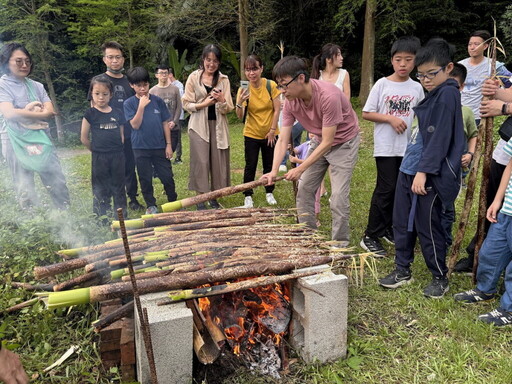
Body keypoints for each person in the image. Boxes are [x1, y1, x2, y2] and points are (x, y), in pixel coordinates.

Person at [378, 38, 465, 298]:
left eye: (431, 74)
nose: (425, 80)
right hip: (411, 166)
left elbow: (439, 139)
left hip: (428, 174)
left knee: (428, 225)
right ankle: (402, 269)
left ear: (449, 68)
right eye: (422, 75)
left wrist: (423, 172)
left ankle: (440, 277)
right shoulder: (435, 92)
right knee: (402, 221)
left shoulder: (448, 93)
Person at [261, 56, 361, 247]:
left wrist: (299, 169)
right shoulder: (290, 101)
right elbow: (282, 138)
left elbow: (329, 142)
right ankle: (309, 239)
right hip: (319, 139)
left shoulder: (328, 96)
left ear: (300, 78)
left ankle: (339, 245)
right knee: (305, 189)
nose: (282, 91)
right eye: (279, 86)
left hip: (343, 142)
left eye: (284, 85)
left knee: (338, 197)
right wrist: (274, 170)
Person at [359, 36, 424, 257]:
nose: (403, 64)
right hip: (386, 148)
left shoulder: (417, 87)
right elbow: (366, 113)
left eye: (408, 59)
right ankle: (370, 235)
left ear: (415, 61)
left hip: (408, 149)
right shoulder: (382, 84)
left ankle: (388, 228)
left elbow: (421, 117)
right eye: (398, 59)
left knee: (400, 191)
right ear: (392, 61)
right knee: (386, 190)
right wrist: (390, 119)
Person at [0, 42, 70, 210]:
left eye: (27, 61)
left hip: (40, 138)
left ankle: (65, 216)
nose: (24, 65)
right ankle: (34, 223)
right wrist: (40, 113)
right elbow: (9, 113)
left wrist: (24, 112)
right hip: (14, 140)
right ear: (6, 62)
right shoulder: (2, 85)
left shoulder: (37, 85)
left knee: (55, 178)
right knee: (24, 184)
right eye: (18, 61)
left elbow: (50, 110)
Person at [453, 137, 512, 326]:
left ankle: (509, 310)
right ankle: (485, 290)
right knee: (490, 252)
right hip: (507, 210)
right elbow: (510, 166)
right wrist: (497, 200)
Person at [92, 41, 143, 211]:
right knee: (107, 172)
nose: (115, 61)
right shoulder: (99, 81)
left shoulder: (130, 80)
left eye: (118, 57)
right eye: (111, 57)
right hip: (107, 137)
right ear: (104, 59)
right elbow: (93, 109)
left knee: (129, 167)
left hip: (129, 133)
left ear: (123, 59)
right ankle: (105, 205)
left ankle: (133, 199)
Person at [182, 44, 234, 210]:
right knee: (201, 162)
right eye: (208, 60)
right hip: (198, 126)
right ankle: (200, 199)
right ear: (203, 59)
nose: (211, 64)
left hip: (218, 126)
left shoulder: (223, 80)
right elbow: (186, 103)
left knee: (218, 162)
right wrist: (203, 104)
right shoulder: (193, 78)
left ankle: (214, 197)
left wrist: (222, 101)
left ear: (219, 63)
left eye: (215, 61)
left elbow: (229, 108)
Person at [124, 67, 177, 214]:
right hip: (140, 148)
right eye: (138, 86)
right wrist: (141, 107)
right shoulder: (129, 104)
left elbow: (165, 123)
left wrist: (168, 145)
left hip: (159, 146)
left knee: (167, 176)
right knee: (145, 178)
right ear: (131, 85)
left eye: (145, 85)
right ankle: (151, 204)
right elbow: (134, 125)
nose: (142, 89)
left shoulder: (158, 101)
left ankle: (173, 201)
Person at [235, 54, 281, 208]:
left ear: (261, 69)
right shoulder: (243, 89)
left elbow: (277, 110)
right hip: (251, 133)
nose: (251, 73)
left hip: (270, 133)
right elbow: (239, 115)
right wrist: (240, 103)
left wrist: (272, 130)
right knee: (250, 165)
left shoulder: (271, 85)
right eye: (248, 70)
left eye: (254, 69)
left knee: (269, 164)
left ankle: (269, 192)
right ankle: (248, 195)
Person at [441, 63, 478, 246]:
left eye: (453, 85)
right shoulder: (432, 108)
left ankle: (445, 238)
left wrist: (470, 154)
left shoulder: (466, 112)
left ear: (462, 87)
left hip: (454, 169)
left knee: (448, 204)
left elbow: (473, 136)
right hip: (434, 167)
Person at [81, 75, 127, 219]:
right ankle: (102, 218)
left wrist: (116, 149)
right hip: (99, 157)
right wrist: (96, 150)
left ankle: (121, 217)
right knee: (101, 188)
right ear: (91, 94)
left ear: (111, 95)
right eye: (97, 94)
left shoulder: (118, 113)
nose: (101, 97)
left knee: (119, 186)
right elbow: (84, 138)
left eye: (105, 94)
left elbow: (122, 136)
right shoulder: (90, 114)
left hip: (117, 156)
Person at [459, 30, 512, 126]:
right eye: (470, 44)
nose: (472, 47)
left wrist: (499, 93)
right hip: (460, 114)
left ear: (485, 46)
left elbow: (509, 82)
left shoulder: (494, 66)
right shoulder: (460, 66)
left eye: (476, 44)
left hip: (480, 116)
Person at [289, 132, 323, 226]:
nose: (312, 135)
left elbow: (311, 161)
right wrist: (290, 148)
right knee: (301, 195)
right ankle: (302, 217)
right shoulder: (305, 144)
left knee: (315, 199)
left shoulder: (318, 147)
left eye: (314, 133)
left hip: (314, 175)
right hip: (301, 176)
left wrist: (297, 161)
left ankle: (315, 219)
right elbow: (296, 150)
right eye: (310, 133)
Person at [149, 65, 182, 156]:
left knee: (171, 150)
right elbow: (151, 111)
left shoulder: (175, 89)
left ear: (169, 74)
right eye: (161, 73)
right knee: (160, 153)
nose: (164, 75)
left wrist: (174, 122)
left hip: (173, 127)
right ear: (156, 75)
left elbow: (179, 107)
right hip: (159, 129)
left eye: (166, 73)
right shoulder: (152, 91)